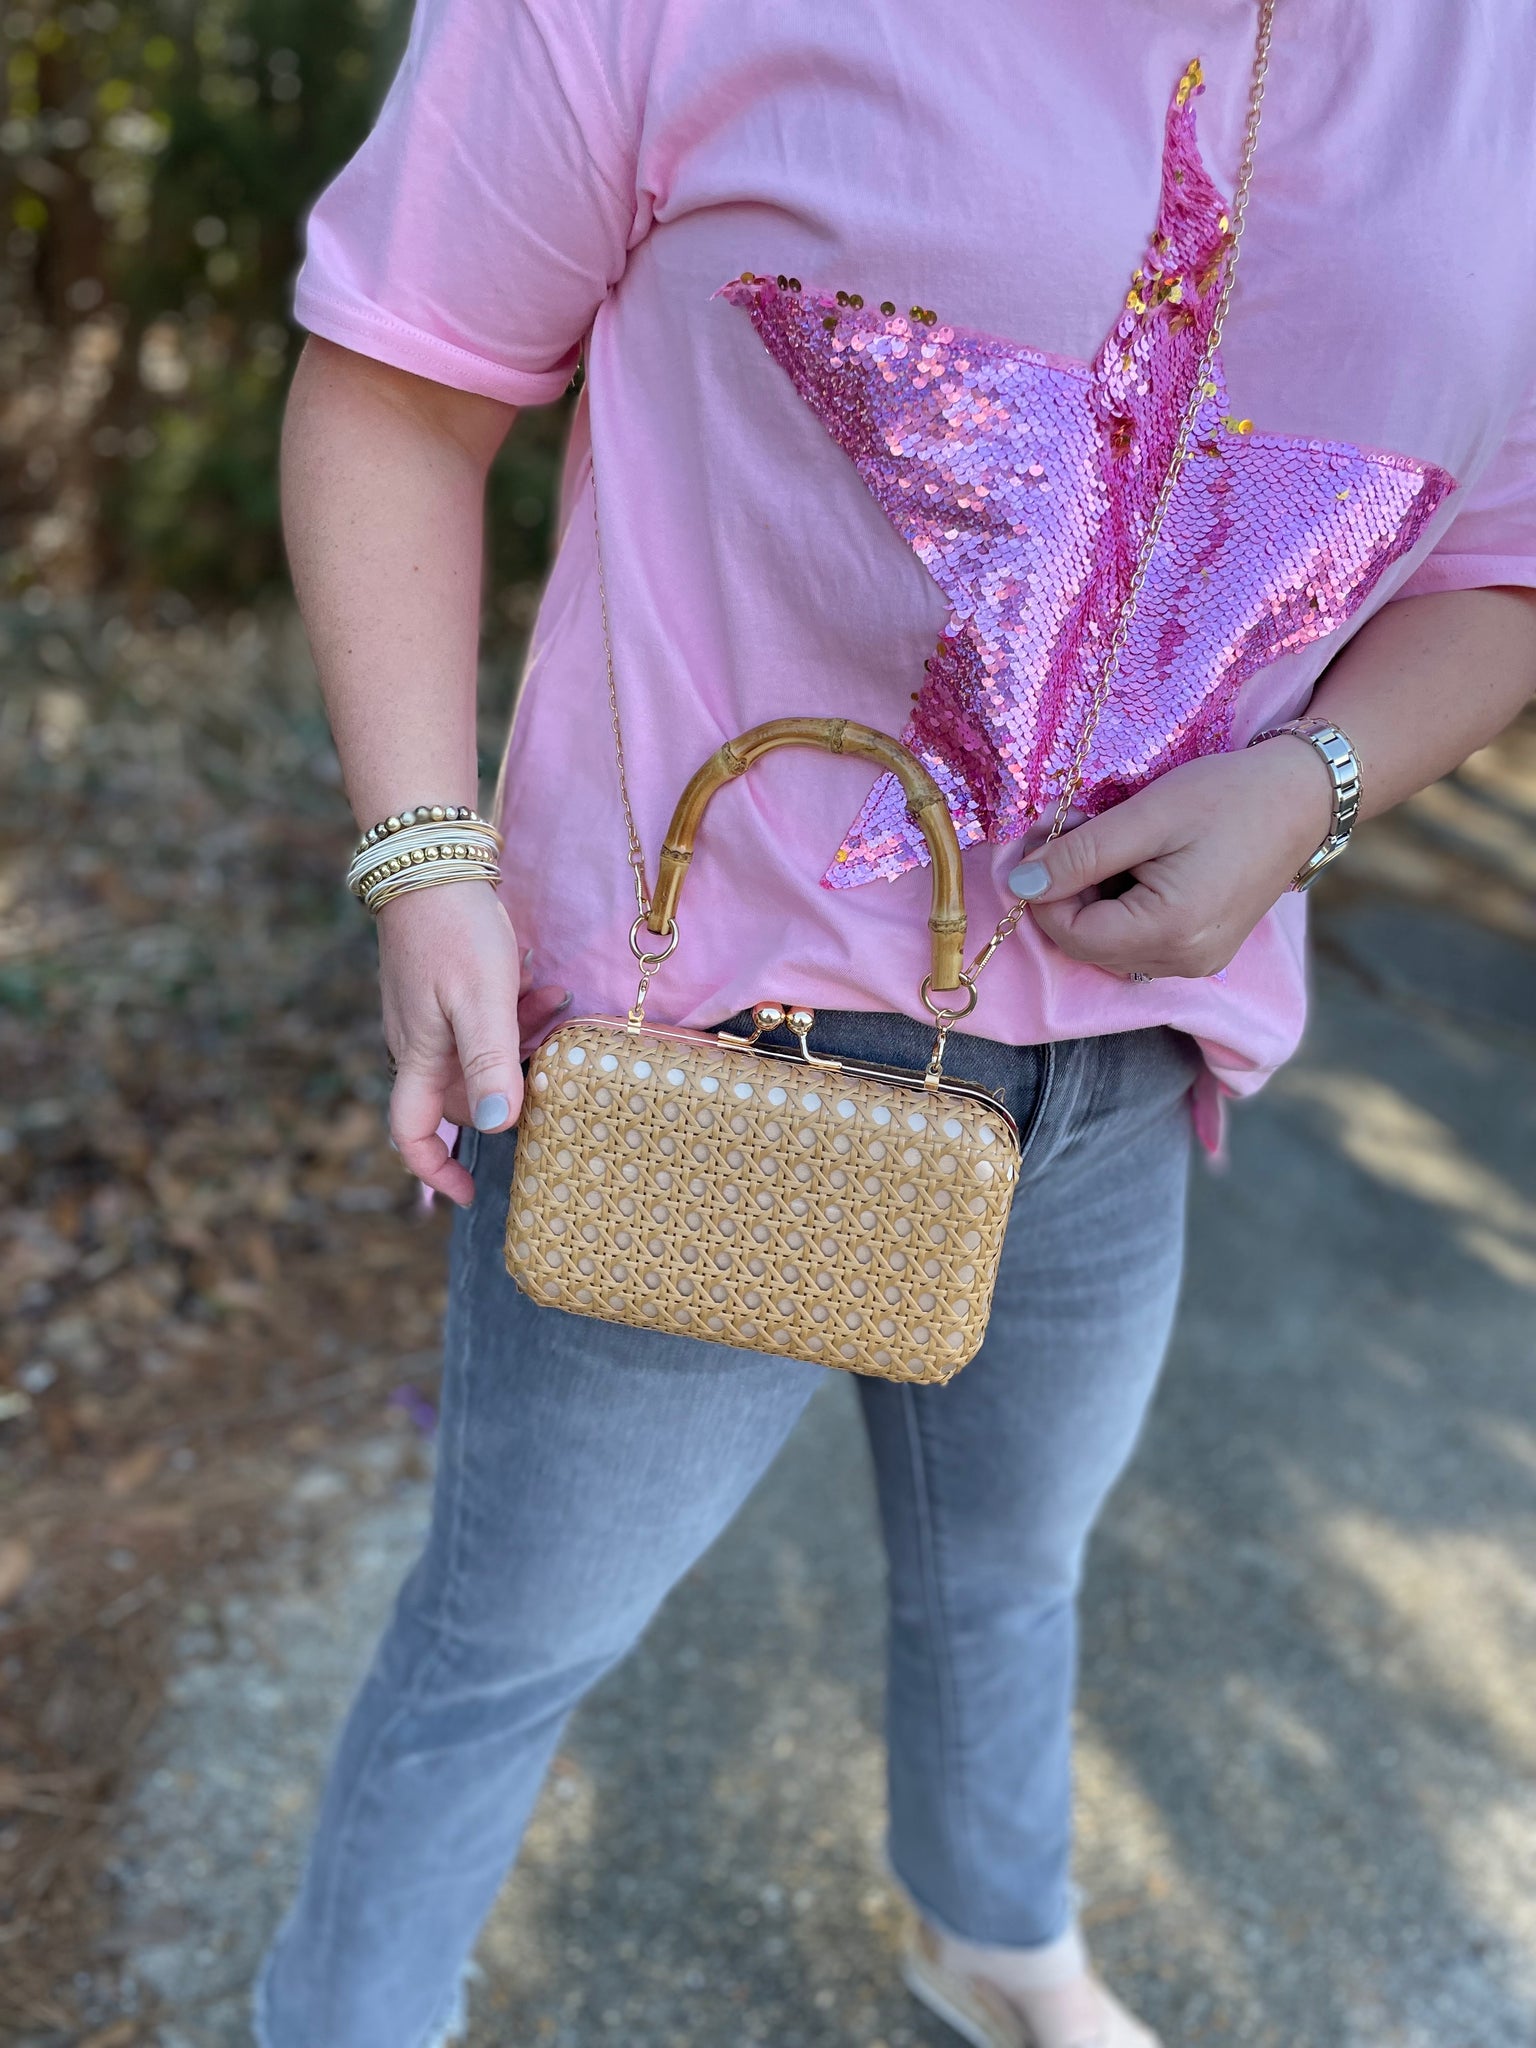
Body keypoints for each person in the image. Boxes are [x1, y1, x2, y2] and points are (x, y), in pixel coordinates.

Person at [256, 2, 1536, 2043]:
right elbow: (404, 368)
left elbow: (1506, 559)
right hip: (697, 1054)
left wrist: (1314, 787)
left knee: (1015, 1561)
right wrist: (424, 859)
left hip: (1129, 1061)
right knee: (514, 1635)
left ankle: (995, 1935)